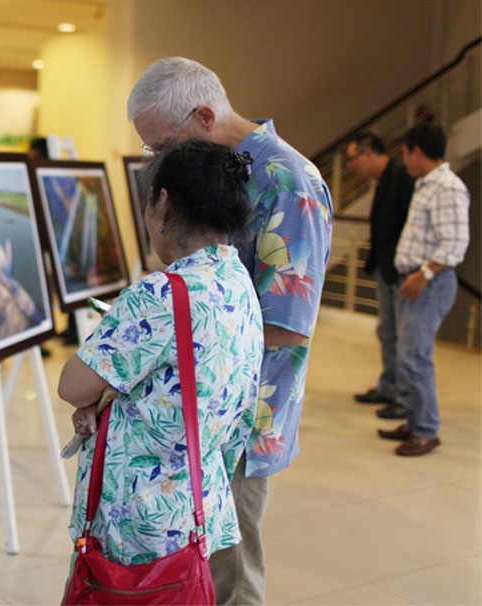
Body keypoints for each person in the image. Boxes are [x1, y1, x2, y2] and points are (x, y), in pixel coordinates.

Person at [125, 57, 333, 605]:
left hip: (243, 412)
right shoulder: (223, 169)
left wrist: (177, 339)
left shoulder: (288, 183)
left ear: (204, 115)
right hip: (203, 409)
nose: (160, 162)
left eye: (162, 147)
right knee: (196, 565)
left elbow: (286, 326)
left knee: (230, 574)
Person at [58, 140, 264, 575]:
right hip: (196, 508)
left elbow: (73, 385)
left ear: (163, 204)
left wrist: (102, 384)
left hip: (137, 522)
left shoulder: (161, 294)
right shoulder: (237, 281)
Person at [377, 123, 469, 456]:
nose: (404, 159)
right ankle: (415, 422)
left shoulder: (447, 186)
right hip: (414, 280)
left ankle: (427, 431)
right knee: (407, 354)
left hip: (428, 283)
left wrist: (426, 272)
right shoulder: (425, 184)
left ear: (416, 151)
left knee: (414, 358)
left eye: (404, 152)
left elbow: (456, 242)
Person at [346, 132, 415, 420]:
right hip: (386, 268)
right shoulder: (384, 179)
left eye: (352, 159)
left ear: (369, 153)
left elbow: (410, 225)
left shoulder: (402, 177)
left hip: (401, 269)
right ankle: (389, 387)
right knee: (387, 332)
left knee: (404, 338)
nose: (350, 166)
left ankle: (404, 396)